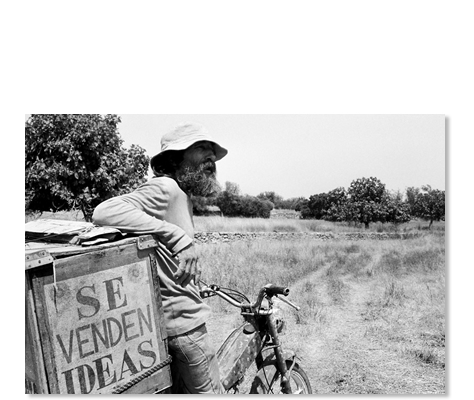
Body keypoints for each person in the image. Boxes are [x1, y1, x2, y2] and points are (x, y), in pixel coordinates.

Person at [92, 122, 227, 394]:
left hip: (174, 326)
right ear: (175, 159)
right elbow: (104, 211)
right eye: (201, 147)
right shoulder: (165, 187)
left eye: (212, 150)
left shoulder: (181, 195)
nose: (211, 155)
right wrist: (176, 236)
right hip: (186, 330)